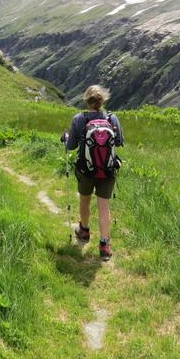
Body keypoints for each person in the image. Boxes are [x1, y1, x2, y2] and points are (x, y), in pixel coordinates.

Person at [61, 85, 123, 261]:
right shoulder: (112, 118)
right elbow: (118, 142)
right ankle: (105, 245)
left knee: (85, 200)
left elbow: (71, 146)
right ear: (103, 100)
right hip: (107, 169)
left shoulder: (79, 119)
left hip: (85, 169)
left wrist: (66, 138)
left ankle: (84, 231)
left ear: (86, 101)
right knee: (104, 206)